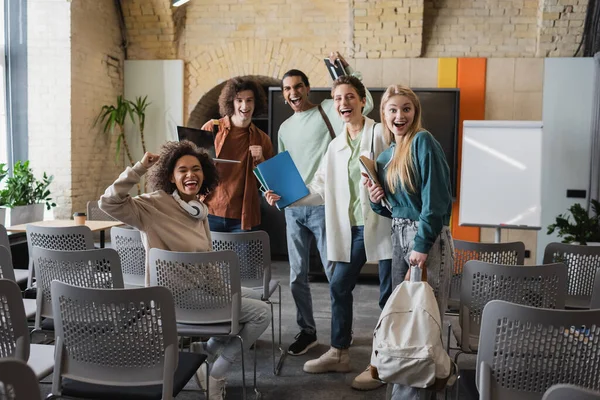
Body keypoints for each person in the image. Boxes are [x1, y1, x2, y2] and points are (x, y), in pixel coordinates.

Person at [99, 141, 272, 400]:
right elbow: (108, 203)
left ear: (205, 174)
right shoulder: (153, 206)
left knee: (257, 297)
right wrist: (139, 169)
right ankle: (217, 372)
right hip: (175, 300)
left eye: (197, 169)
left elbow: (207, 264)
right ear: (171, 176)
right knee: (261, 313)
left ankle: (206, 350)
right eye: (183, 170)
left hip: (201, 290)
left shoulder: (198, 210)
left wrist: (226, 291)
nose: (191, 174)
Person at [266, 76, 392, 381]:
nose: (343, 103)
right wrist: (287, 198)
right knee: (338, 285)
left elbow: (397, 172)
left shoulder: (379, 133)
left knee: (388, 296)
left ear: (363, 101)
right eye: (337, 99)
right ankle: (339, 353)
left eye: (350, 97)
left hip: (383, 224)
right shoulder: (336, 145)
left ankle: (386, 360)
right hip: (351, 228)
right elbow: (320, 186)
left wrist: (384, 191)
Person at [366, 85, 454, 400]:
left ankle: (416, 394)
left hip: (425, 240)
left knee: (424, 322)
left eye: (406, 109)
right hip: (398, 237)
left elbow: (436, 202)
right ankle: (400, 390)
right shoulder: (388, 154)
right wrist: (376, 198)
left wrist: (420, 246)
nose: (399, 115)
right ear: (384, 114)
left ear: (415, 112)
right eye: (393, 109)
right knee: (401, 316)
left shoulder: (423, 143)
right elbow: (390, 208)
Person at [201, 77, 274, 232]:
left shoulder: (263, 139)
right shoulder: (212, 128)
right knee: (209, 257)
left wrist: (261, 160)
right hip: (209, 211)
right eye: (239, 100)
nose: (244, 106)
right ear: (231, 103)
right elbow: (192, 166)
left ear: (256, 103)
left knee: (241, 258)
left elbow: (270, 184)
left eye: (249, 100)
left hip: (242, 218)